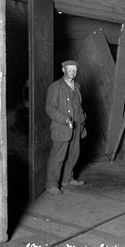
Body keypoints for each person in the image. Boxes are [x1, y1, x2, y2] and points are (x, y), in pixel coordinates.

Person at [45, 60, 87, 195]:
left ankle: (67, 179)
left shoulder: (77, 86)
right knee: (58, 157)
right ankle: (51, 184)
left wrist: (83, 118)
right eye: (70, 69)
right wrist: (64, 119)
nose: (73, 72)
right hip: (62, 127)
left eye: (75, 70)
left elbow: (78, 106)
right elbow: (50, 108)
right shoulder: (55, 87)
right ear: (63, 70)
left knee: (74, 154)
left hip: (76, 126)